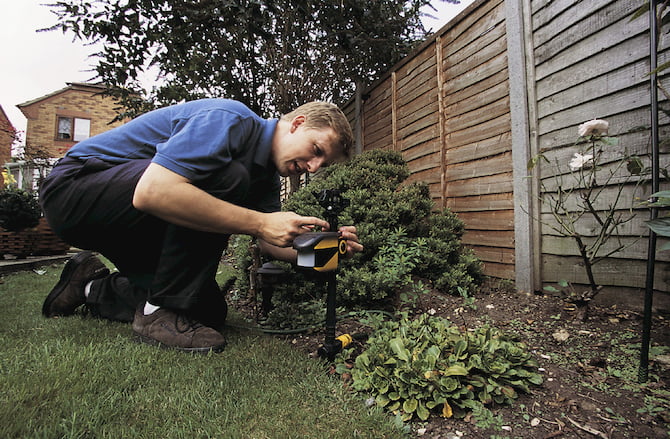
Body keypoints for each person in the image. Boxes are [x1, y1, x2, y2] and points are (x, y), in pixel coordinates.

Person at [39, 99, 363, 353]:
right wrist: (261, 222)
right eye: (317, 151)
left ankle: (86, 286)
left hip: (131, 223)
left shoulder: (265, 176)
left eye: (324, 163)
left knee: (205, 311)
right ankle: (156, 313)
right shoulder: (231, 119)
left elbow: (269, 243)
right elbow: (153, 192)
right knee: (228, 177)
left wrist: (324, 251)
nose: (314, 166)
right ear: (298, 124)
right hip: (73, 192)